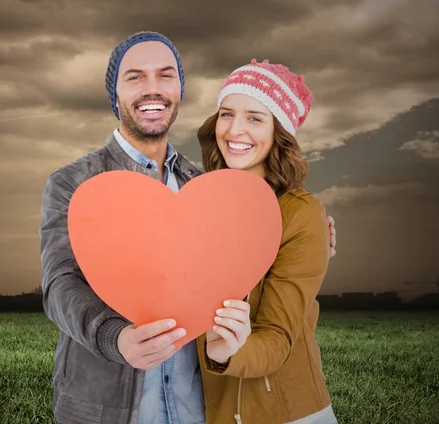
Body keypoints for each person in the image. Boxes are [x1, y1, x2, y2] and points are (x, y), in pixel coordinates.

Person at [39, 31, 337, 424]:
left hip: (196, 407)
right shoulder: (73, 183)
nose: (152, 89)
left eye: (165, 76)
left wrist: (312, 226)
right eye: (134, 77)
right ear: (114, 94)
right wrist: (116, 337)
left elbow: (263, 224)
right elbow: (60, 284)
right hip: (106, 411)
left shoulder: (205, 188)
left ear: (180, 90)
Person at [195, 60, 339, 424]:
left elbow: (277, 338)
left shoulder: (300, 214)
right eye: (227, 114)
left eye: (255, 118)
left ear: (280, 133)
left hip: (289, 414)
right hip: (216, 413)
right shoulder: (201, 205)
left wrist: (227, 352)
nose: (234, 130)